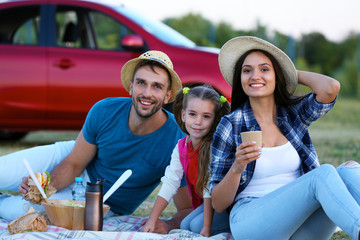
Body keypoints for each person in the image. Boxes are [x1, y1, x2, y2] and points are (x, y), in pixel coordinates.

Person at [0, 50, 192, 233]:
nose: (147, 93)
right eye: (141, 83)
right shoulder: (105, 109)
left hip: (99, 200)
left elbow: (186, 208)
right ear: (131, 86)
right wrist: (43, 187)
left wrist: (169, 225)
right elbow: (74, 163)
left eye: (157, 86)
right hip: (75, 157)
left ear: (168, 95)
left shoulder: (178, 139)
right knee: (3, 171)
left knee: (15, 211)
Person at [210, 36, 360, 240]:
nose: (255, 76)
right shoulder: (231, 124)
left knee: (349, 171)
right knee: (323, 174)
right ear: (240, 78)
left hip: (300, 226)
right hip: (251, 222)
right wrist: (237, 166)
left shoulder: (292, 115)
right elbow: (218, 203)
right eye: (247, 70)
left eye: (264, 69)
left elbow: (330, 88)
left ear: (277, 76)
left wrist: (289, 73)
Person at [141, 85, 231, 236]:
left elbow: (209, 188)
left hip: (224, 205)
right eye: (193, 114)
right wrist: (152, 219)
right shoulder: (182, 146)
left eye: (206, 116)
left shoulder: (213, 147)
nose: (198, 122)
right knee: (185, 224)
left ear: (214, 119)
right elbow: (170, 182)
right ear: (183, 115)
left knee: (196, 226)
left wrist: (206, 228)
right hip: (205, 205)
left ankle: (229, 227)